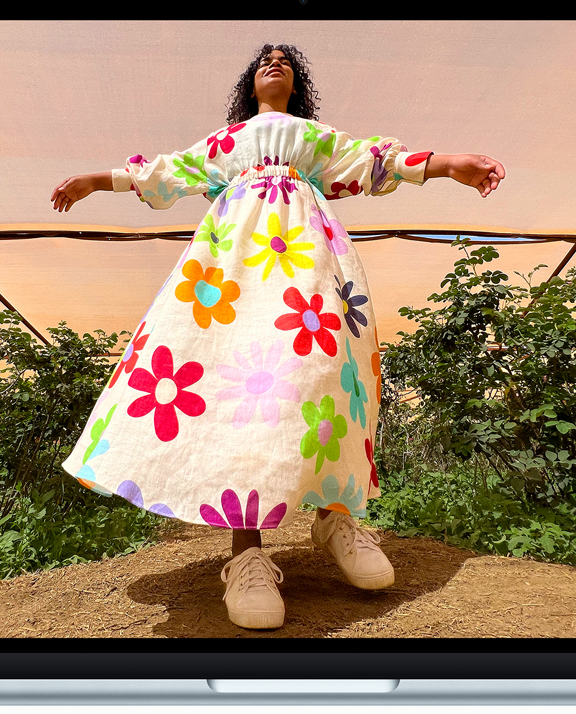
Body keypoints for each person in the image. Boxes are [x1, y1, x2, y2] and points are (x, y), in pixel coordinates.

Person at [50, 44, 505, 631]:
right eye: (265, 57)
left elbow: (371, 159)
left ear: (297, 84)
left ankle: (335, 516)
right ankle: (245, 554)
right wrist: (95, 179)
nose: (275, 61)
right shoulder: (226, 143)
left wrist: (447, 164)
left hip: (311, 278)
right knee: (244, 393)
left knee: (323, 380)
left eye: (286, 58)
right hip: (230, 275)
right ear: (250, 83)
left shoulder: (310, 139)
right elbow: (168, 170)